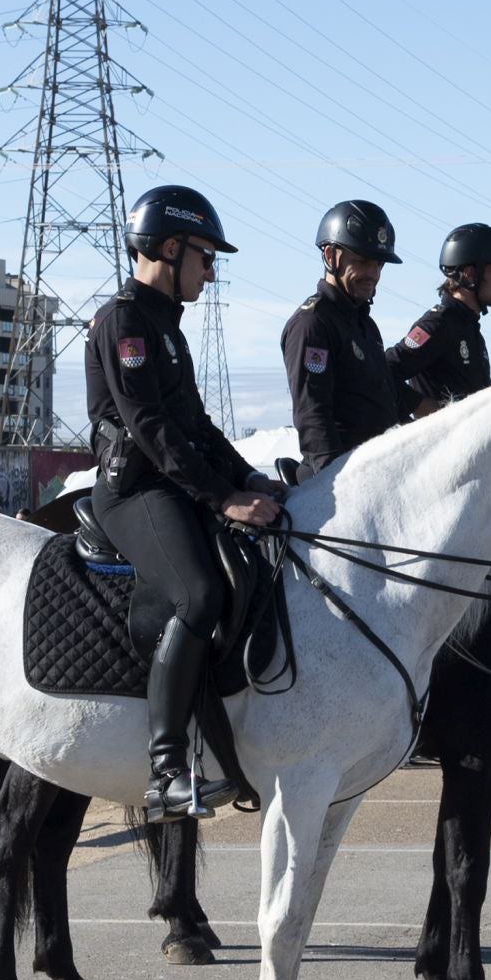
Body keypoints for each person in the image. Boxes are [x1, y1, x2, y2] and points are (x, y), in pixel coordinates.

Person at [87, 185, 285, 819]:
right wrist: (223, 498)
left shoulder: (167, 328)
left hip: (174, 484)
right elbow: (153, 430)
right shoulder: (124, 320)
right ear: (169, 249)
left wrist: (248, 477)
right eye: (205, 256)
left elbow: (197, 424)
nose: (211, 269)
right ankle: (167, 765)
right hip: (135, 490)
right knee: (198, 593)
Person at [283, 199, 409, 477]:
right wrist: (339, 483)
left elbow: (385, 400)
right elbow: (313, 416)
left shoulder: (366, 326)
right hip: (342, 483)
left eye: (378, 264)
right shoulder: (313, 323)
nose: (373, 274)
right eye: (362, 261)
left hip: (381, 473)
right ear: (330, 256)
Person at [387, 222, 491, 412]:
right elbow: (383, 371)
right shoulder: (437, 324)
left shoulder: (470, 329)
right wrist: (422, 407)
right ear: (470, 274)